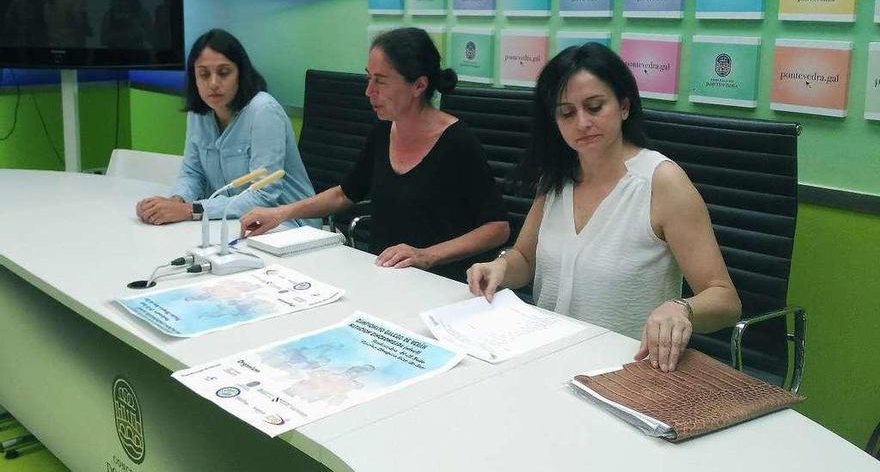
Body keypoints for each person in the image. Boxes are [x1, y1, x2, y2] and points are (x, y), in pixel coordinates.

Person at [466, 43, 741, 372]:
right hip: (545, 360)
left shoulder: (661, 182)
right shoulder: (557, 177)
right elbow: (525, 259)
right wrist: (500, 267)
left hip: (627, 373)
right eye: (567, 113)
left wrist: (681, 308)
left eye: (594, 107)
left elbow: (725, 298)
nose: (582, 122)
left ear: (624, 107)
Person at [240, 27, 509, 280]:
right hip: (382, 274)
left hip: (439, 282)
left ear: (419, 86)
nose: (368, 91)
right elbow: (346, 193)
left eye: (380, 81)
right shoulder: (383, 130)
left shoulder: (457, 142)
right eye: (369, 78)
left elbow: (497, 228)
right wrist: (280, 213)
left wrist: (427, 255)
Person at [136, 29, 317, 227]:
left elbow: (265, 195)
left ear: (240, 73)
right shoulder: (199, 113)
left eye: (223, 73)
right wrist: (174, 202)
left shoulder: (263, 111)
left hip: (290, 224)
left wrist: (190, 210)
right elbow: (192, 173)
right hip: (233, 221)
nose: (213, 83)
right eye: (204, 74)